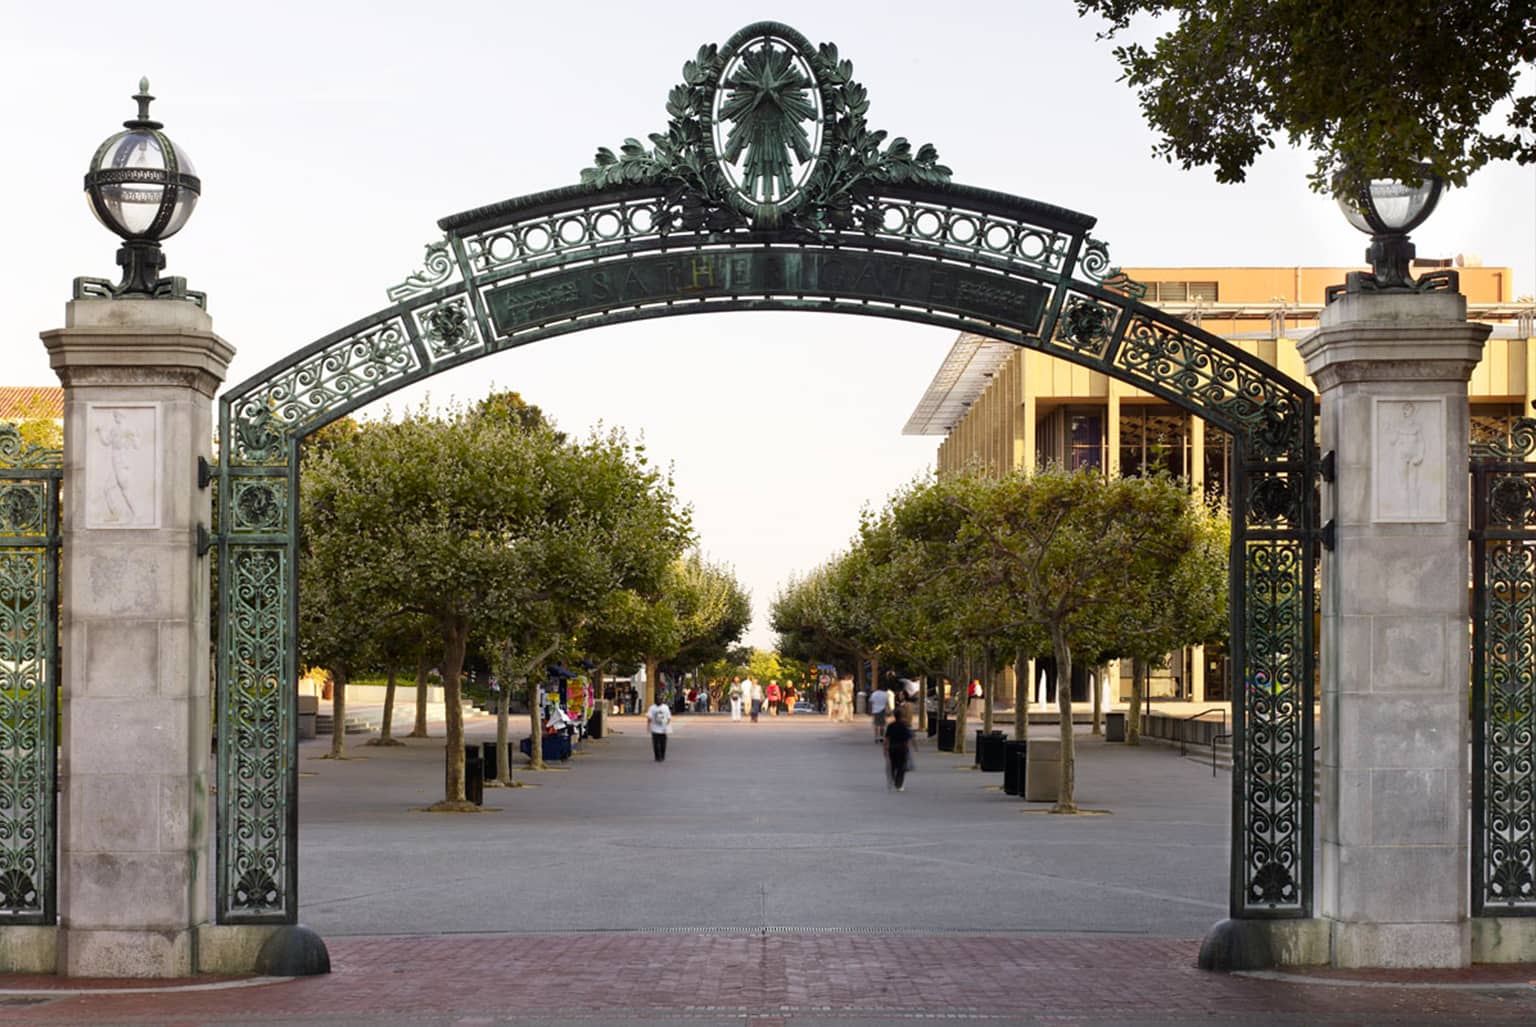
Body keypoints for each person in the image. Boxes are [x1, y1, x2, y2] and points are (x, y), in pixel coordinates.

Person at [884, 705, 915, 791]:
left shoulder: (891, 726)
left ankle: (894, 779)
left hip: (892, 748)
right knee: (901, 767)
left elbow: (887, 738)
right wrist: (908, 749)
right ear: (902, 716)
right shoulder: (905, 726)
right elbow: (907, 739)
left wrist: (885, 749)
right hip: (902, 748)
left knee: (893, 765)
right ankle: (899, 784)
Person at [646, 694, 673, 762]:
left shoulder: (665, 707)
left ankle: (662, 756)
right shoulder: (652, 708)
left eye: (660, 699)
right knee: (656, 744)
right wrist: (648, 726)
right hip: (655, 729)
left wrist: (667, 725)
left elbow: (669, 718)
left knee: (662, 744)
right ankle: (657, 756)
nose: (659, 701)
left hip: (663, 729)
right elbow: (649, 717)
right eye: (658, 699)